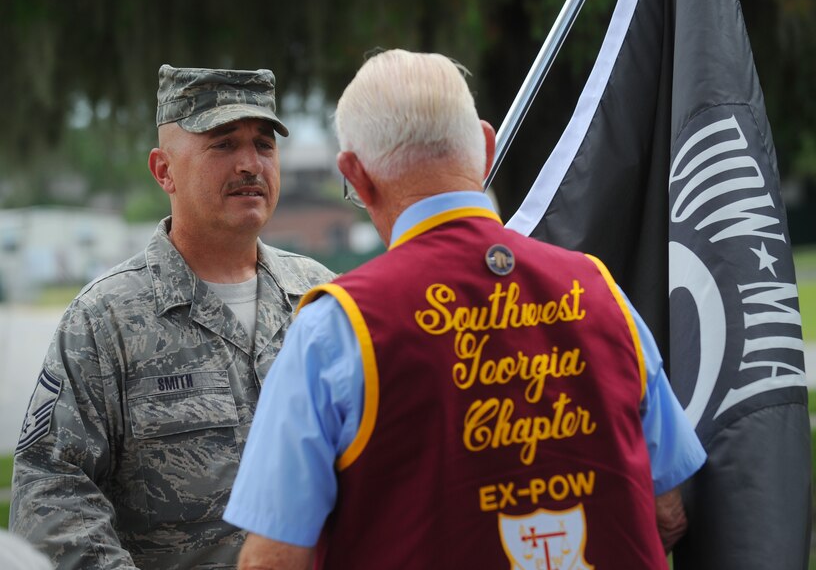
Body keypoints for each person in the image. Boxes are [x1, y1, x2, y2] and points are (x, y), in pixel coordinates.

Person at [224, 49, 707, 569]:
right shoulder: (601, 290)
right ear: (485, 147)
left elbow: (274, 560)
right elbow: (667, 511)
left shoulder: (335, 328)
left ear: (357, 177)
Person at [10, 65, 334, 569]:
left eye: (264, 145)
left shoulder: (322, 299)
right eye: (223, 144)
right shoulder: (106, 320)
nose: (251, 164)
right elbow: (52, 498)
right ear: (164, 171)